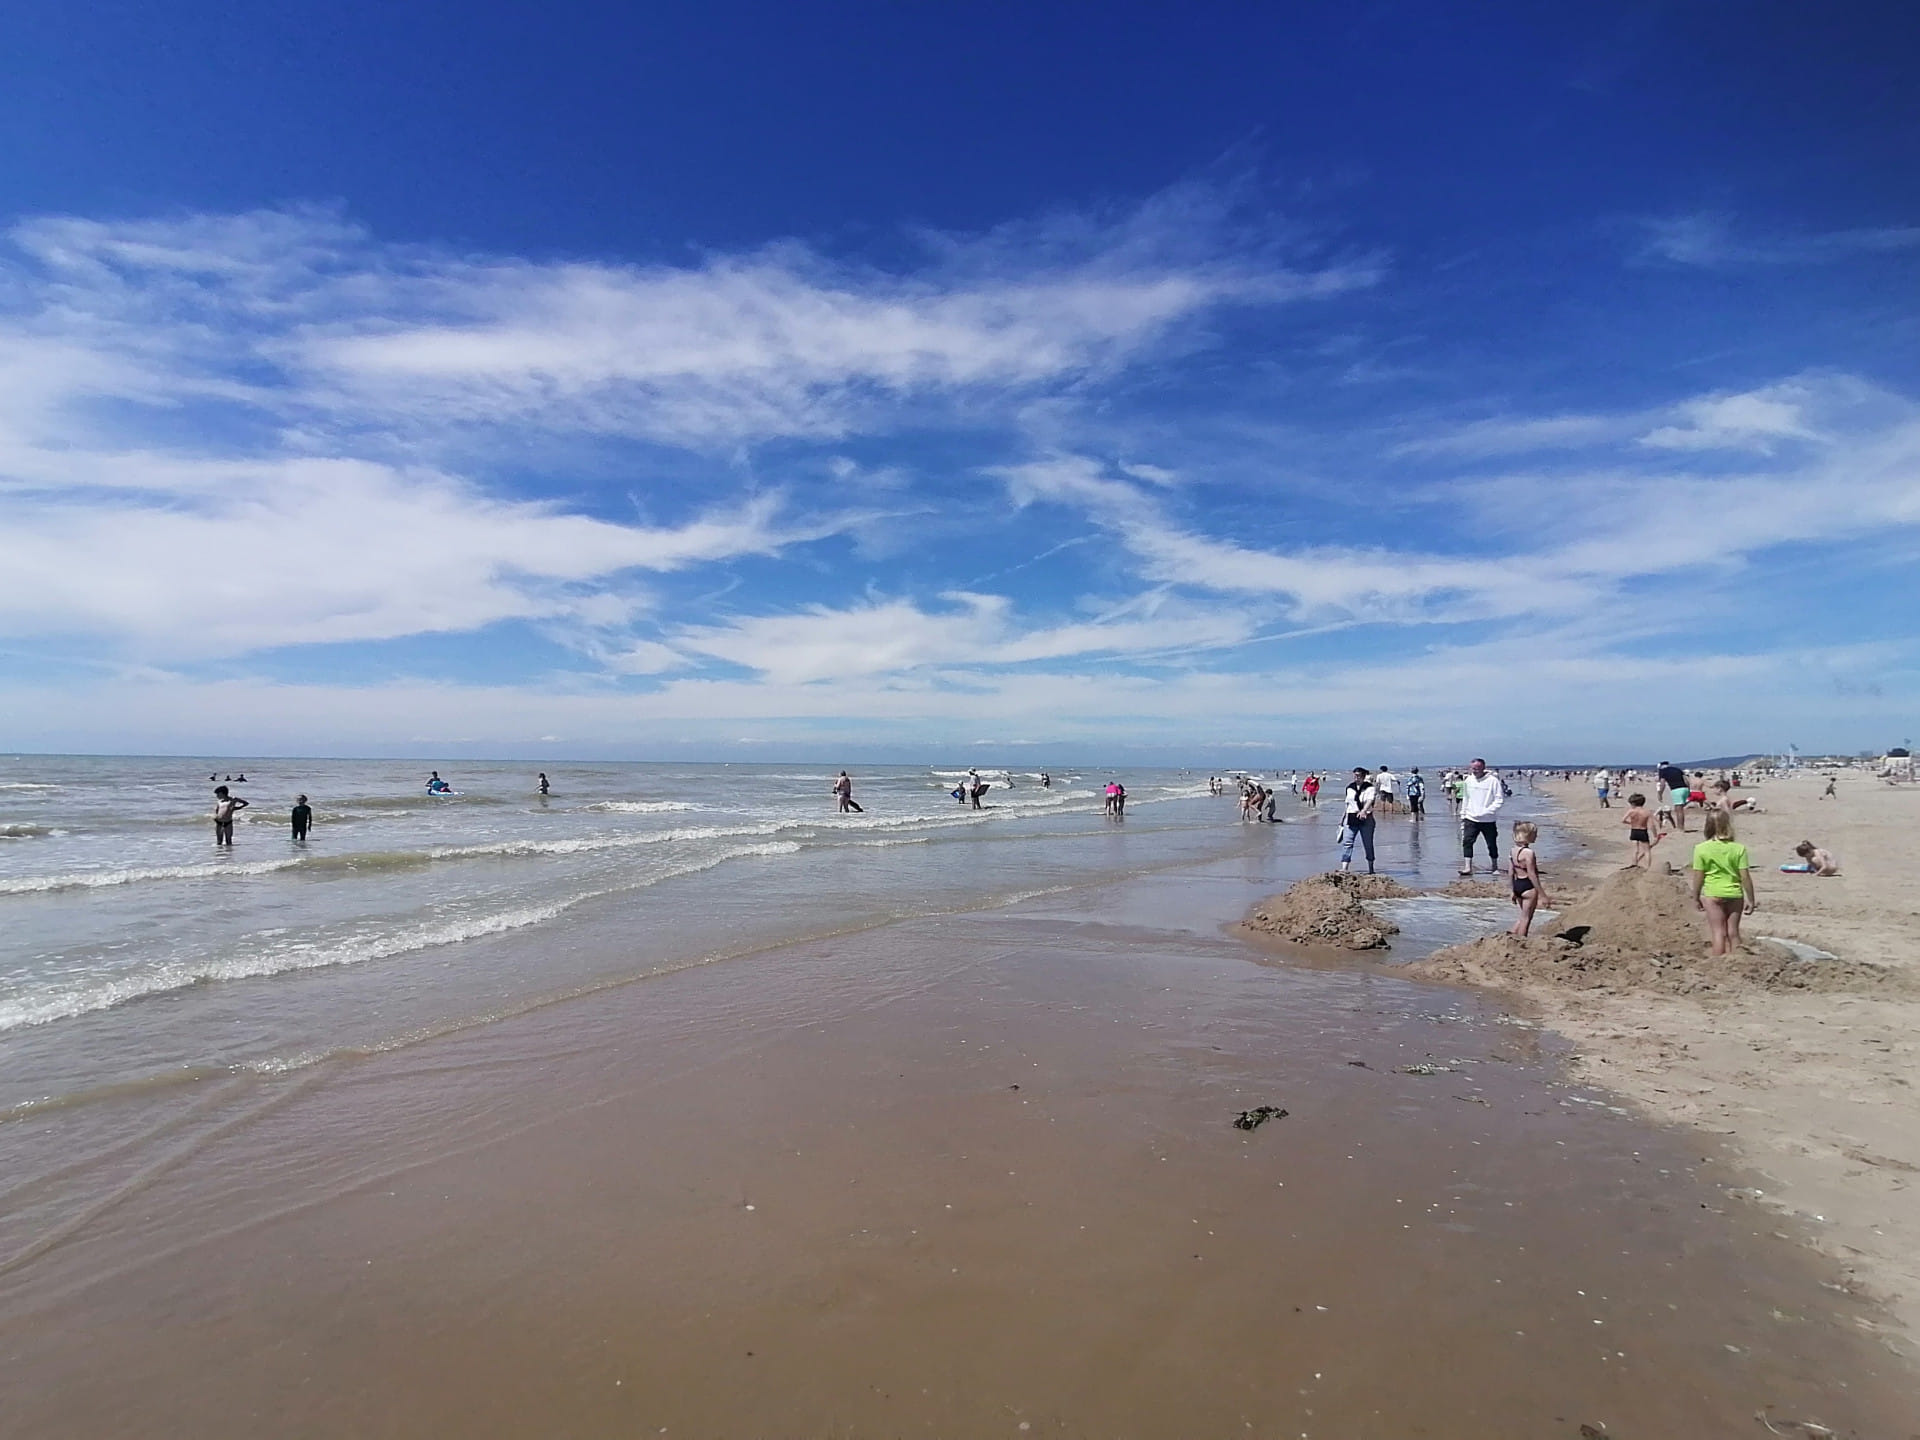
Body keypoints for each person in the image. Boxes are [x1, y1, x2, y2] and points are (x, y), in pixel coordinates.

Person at [1690, 810, 1756, 956]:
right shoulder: (1738, 848)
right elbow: (1745, 876)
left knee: (1718, 932)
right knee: (1733, 932)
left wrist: (1695, 897)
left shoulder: (1701, 849)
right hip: (1734, 893)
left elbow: (1698, 876)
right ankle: (1737, 960)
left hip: (1713, 894)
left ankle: (1718, 964)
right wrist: (1751, 899)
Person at [1457, 758, 1505, 876]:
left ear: (1483, 768)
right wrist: (1463, 815)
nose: (1475, 771)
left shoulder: (1493, 781)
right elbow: (1466, 798)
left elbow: (1499, 800)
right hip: (1471, 818)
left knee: (1491, 843)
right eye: (1473, 768)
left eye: (1477, 768)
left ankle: (1494, 867)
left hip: (1488, 819)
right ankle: (1468, 867)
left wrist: (1487, 811)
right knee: (1467, 841)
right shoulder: (1468, 780)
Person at [1508, 821, 1547, 937]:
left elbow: (1510, 872)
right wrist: (1542, 894)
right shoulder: (1529, 853)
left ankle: (1511, 935)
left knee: (1523, 915)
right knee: (1527, 918)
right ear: (1528, 835)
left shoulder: (1513, 851)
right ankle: (1521, 941)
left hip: (1517, 884)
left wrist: (1512, 890)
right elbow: (1532, 874)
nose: (1536, 836)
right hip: (1528, 886)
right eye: (1534, 834)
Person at [1338, 767, 1378, 874]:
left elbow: (1370, 800)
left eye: (1359, 775)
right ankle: (1344, 867)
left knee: (1367, 843)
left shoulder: (1370, 788)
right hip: (1351, 817)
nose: (1356, 777)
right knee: (1347, 842)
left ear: (1364, 776)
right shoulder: (1349, 788)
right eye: (1355, 775)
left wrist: (1364, 811)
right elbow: (1348, 804)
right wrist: (1342, 819)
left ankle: (1371, 868)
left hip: (1366, 818)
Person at [1619, 793, 1659, 868]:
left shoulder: (1631, 811)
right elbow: (1651, 825)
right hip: (1643, 831)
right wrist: (1655, 835)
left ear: (1633, 803)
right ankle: (1648, 866)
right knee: (1647, 851)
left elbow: (1623, 820)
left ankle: (1634, 864)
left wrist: (1631, 823)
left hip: (1634, 830)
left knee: (1635, 850)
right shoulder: (1646, 812)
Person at [1656, 760, 1689, 834]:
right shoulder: (1677, 769)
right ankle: (1680, 826)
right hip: (1685, 789)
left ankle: (1680, 828)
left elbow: (1662, 783)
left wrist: (1660, 793)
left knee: (1679, 810)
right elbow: (1686, 780)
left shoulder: (1663, 771)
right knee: (1679, 808)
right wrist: (1688, 790)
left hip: (1676, 790)